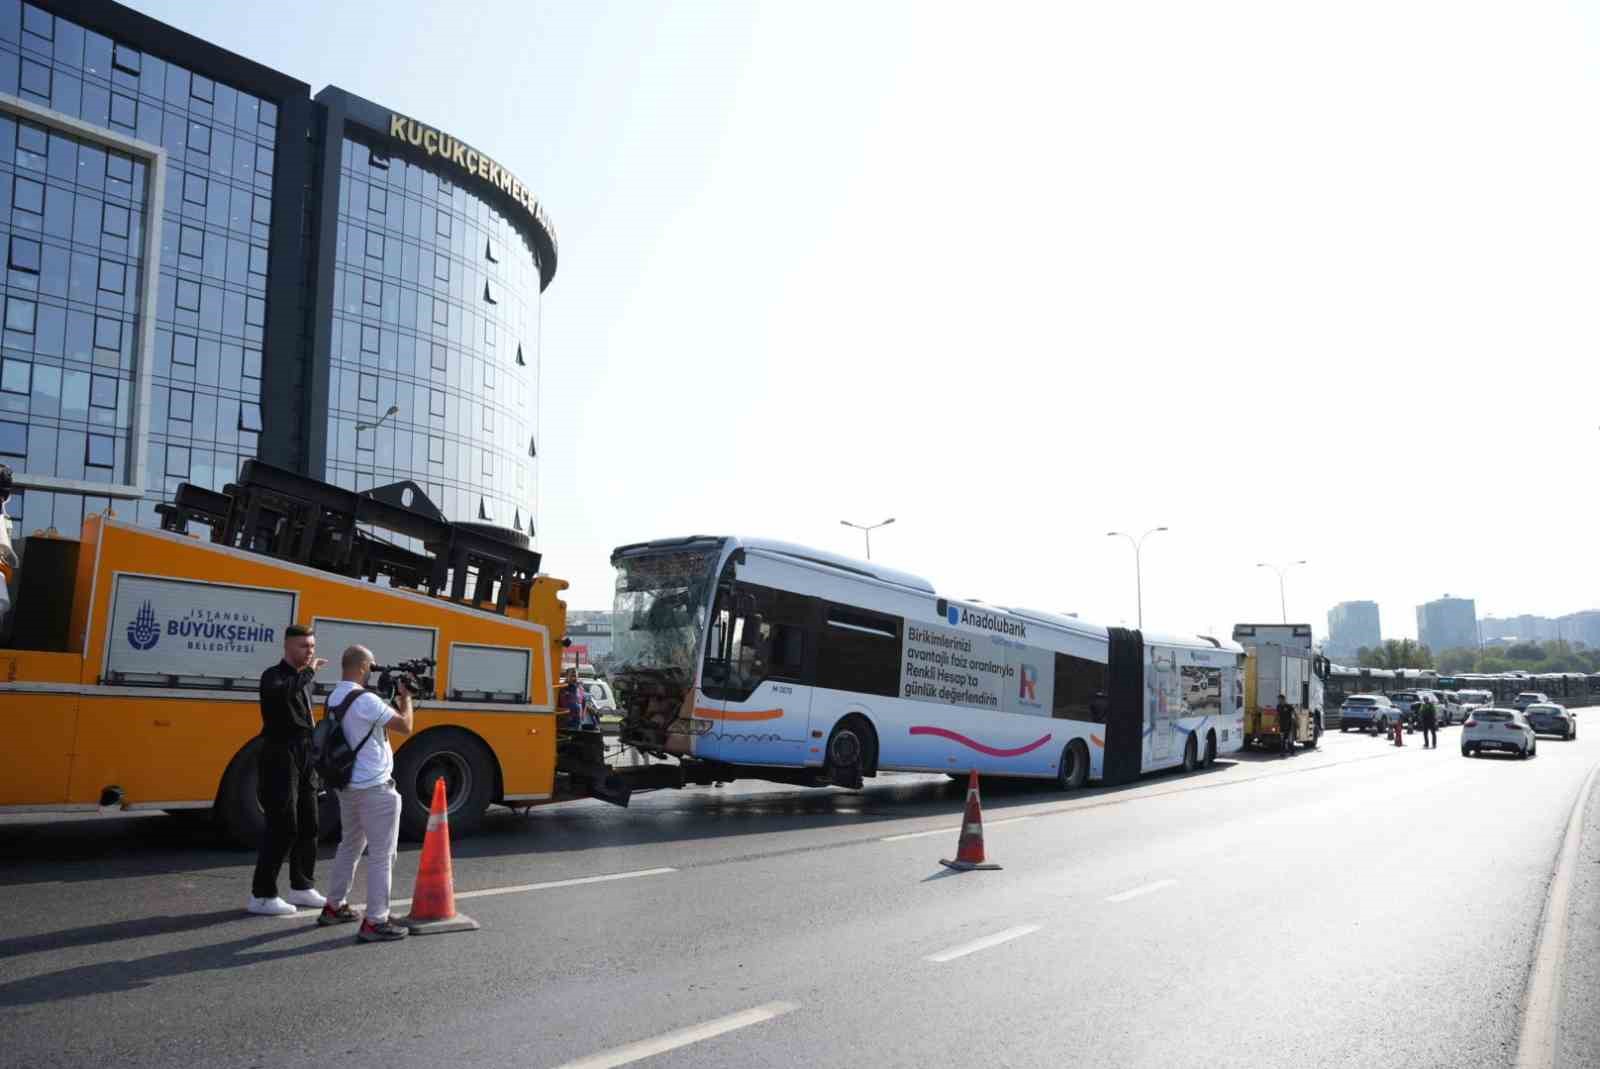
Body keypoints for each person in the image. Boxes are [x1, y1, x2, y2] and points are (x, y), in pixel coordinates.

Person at [319, 644, 415, 943]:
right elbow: (405, 726)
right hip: (375, 789)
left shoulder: (335, 696)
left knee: (349, 846)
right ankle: (376, 920)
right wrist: (406, 698)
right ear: (362, 667)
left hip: (348, 786)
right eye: (371, 666)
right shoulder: (366, 700)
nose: (373, 671)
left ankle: (334, 905)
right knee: (382, 856)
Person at [249, 624, 328, 916]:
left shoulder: (303, 679)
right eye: (303, 646)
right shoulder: (274, 676)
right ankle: (262, 895)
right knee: (283, 826)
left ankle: (302, 886)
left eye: (311, 646)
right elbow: (283, 697)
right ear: (287, 647)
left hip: (305, 752)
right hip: (280, 753)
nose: (309, 652)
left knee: (311, 822)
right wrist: (309, 673)